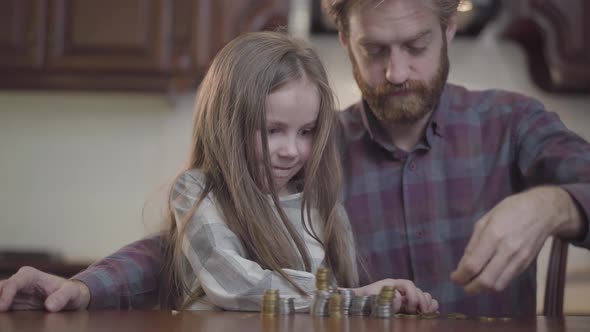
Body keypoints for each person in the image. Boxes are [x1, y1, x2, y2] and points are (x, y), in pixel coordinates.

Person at [2, 0, 589, 316]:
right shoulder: (311, 146)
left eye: (416, 46)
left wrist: (555, 203)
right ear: (346, 38)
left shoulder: (513, 122)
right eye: (374, 49)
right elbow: (191, 243)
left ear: (448, 30)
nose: (396, 71)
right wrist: (86, 287)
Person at [0, 31, 439, 313]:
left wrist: (387, 302)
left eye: (306, 131)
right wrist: (351, 299)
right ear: (226, 125)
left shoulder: (320, 205)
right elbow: (235, 284)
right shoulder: (197, 192)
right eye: (272, 130)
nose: (292, 150)